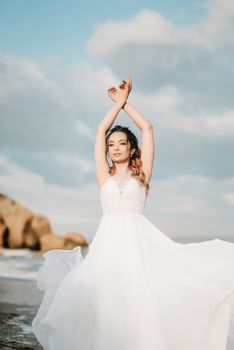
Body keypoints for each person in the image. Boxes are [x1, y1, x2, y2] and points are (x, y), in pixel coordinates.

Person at [32, 75, 234, 350]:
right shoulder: (104, 175)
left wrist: (126, 104)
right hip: (108, 246)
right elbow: (100, 129)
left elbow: (148, 127)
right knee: (106, 302)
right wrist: (117, 103)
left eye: (121, 143)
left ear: (132, 148)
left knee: (140, 303)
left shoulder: (143, 175)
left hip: (139, 245)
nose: (115, 148)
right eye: (111, 145)